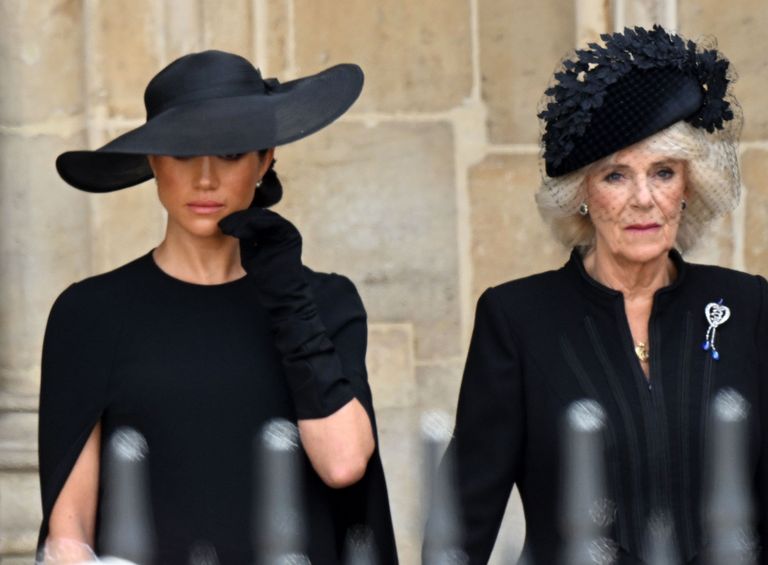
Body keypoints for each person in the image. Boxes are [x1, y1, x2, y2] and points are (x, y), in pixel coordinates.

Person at [37, 50, 398, 564]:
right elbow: (69, 529)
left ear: (264, 160)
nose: (205, 178)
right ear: (154, 161)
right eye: (183, 152)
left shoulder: (323, 301)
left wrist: (287, 296)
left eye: (229, 152)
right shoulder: (89, 313)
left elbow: (343, 464)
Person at [443, 26, 767, 564]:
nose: (643, 199)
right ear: (582, 195)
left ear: (688, 188)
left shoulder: (746, 306)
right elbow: (460, 524)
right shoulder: (517, 319)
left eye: (663, 173)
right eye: (616, 176)